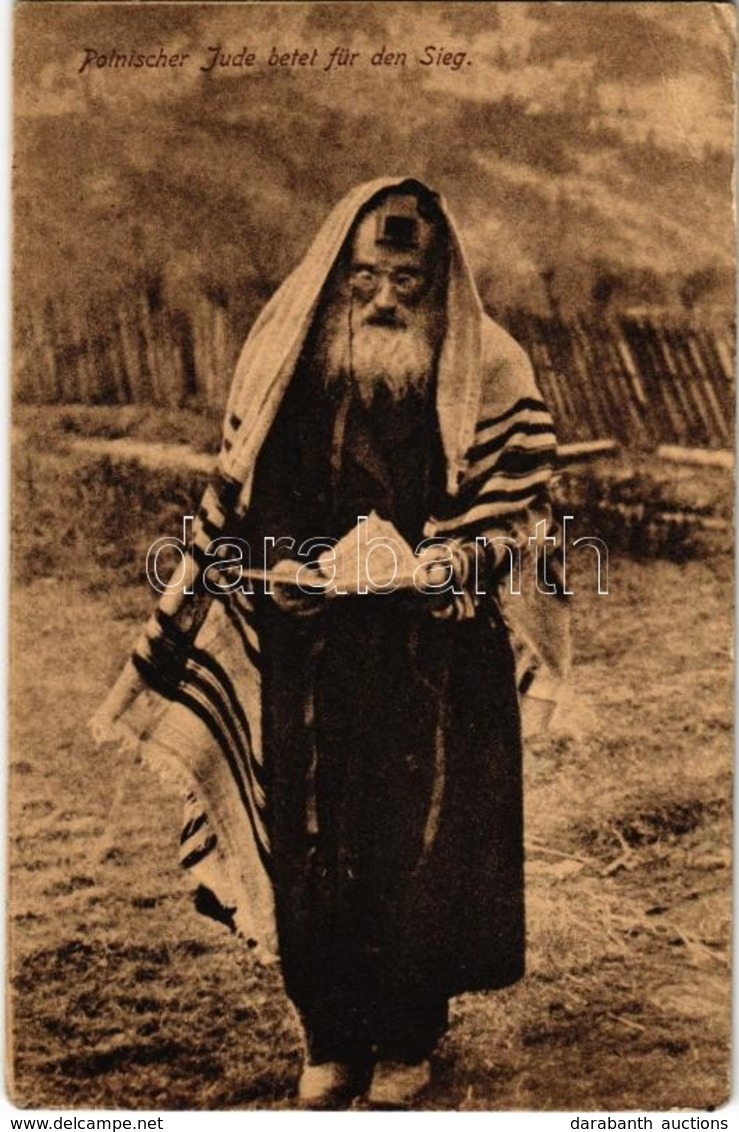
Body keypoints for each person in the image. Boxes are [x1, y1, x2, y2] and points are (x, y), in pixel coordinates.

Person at [92, 177, 568, 1110]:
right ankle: (328, 1036)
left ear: (437, 279)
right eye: (366, 276)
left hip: (434, 655)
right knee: (307, 838)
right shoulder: (285, 362)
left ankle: (406, 1039)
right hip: (307, 648)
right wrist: (282, 576)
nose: (385, 296)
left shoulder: (493, 367)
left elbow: (523, 512)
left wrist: (448, 566)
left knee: (420, 842)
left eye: (407, 276)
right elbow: (238, 503)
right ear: (337, 272)